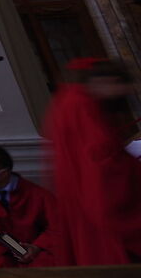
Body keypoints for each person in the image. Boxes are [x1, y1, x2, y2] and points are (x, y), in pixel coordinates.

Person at [44, 57, 141, 264]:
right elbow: (102, 159)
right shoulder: (82, 105)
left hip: (80, 194)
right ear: (109, 81)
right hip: (98, 195)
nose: (125, 93)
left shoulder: (68, 99)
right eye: (123, 87)